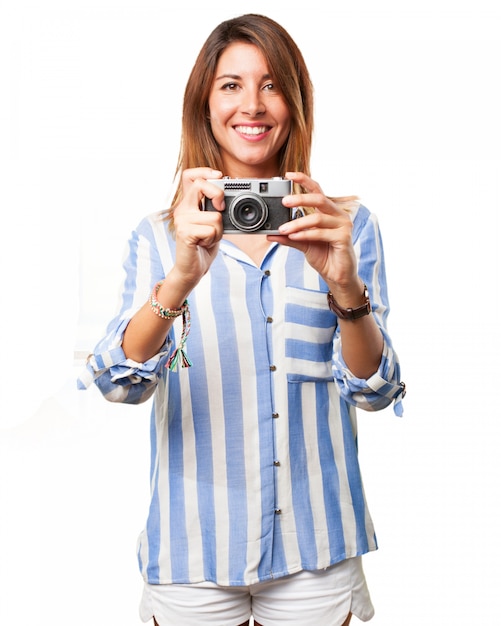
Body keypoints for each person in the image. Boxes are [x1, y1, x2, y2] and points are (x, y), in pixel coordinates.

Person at [78, 13, 405, 626]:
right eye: (231, 84)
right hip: (192, 552)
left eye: (272, 84)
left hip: (318, 549)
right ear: (205, 102)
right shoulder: (160, 236)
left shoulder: (348, 227)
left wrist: (344, 287)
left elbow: (375, 390)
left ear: (295, 101)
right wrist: (178, 281)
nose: (252, 104)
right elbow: (119, 383)